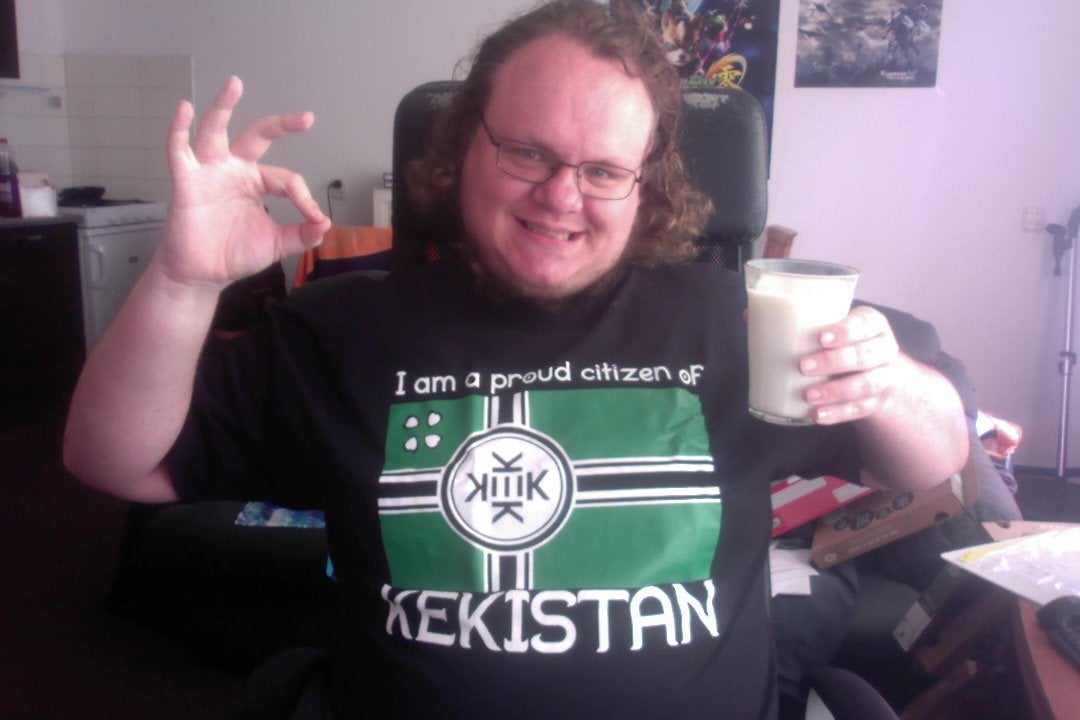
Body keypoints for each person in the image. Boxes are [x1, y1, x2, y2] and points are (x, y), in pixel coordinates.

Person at [63, 1, 968, 717]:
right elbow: (114, 460)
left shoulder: (735, 322)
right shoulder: (344, 331)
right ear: (464, 145)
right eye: (528, 153)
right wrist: (180, 280)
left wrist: (887, 382)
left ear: (645, 184)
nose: (561, 196)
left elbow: (936, 462)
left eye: (602, 170)